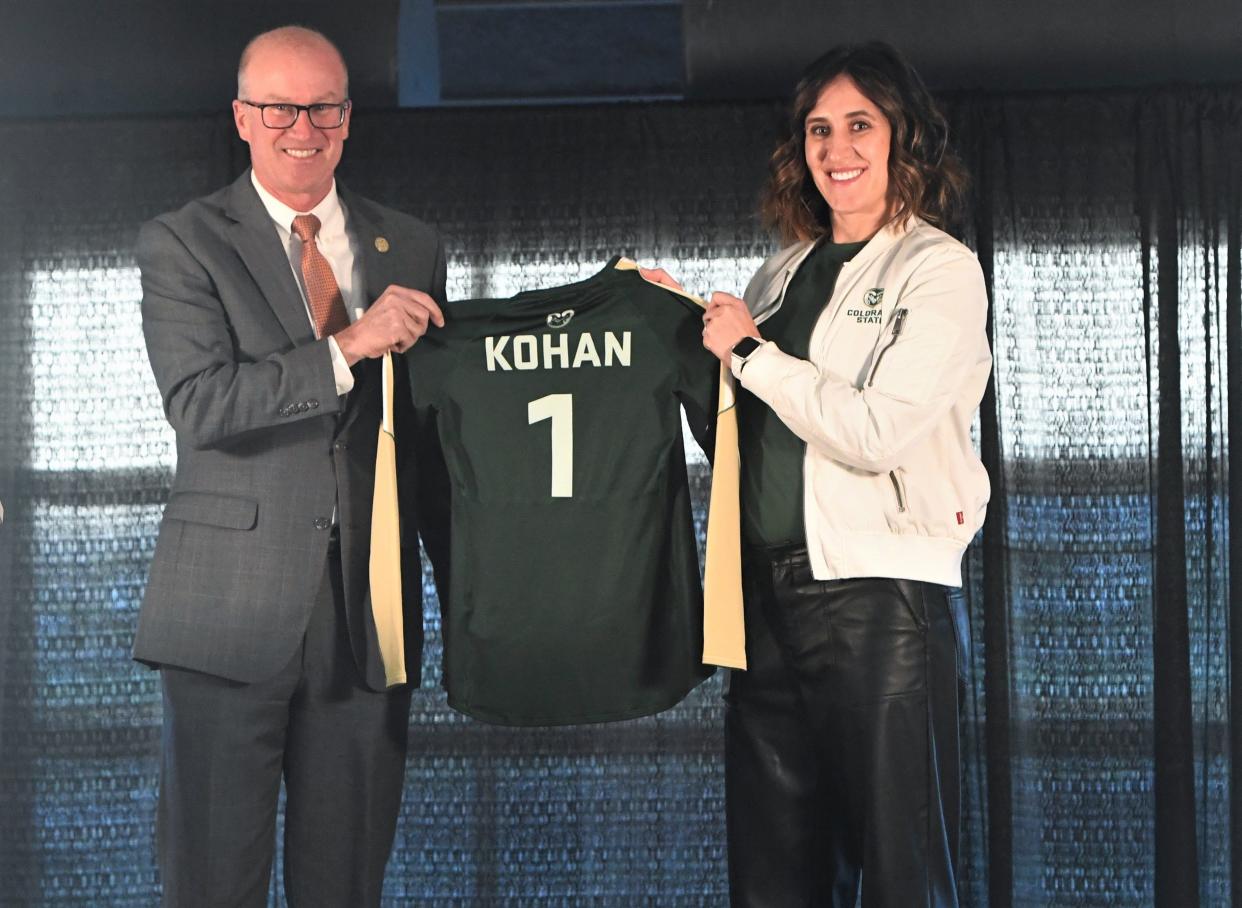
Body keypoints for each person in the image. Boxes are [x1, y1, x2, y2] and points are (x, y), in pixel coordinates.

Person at [649, 41, 990, 906]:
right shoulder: (783, 271)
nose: (836, 149)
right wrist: (680, 335)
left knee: (900, 874)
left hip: (878, 601)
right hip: (764, 598)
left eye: (859, 126)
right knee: (775, 876)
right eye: (818, 130)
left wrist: (753, 353)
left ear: (902, 136)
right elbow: (749, 433)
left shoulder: (938, 269)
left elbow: (877, 432)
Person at [133, 26, 447, 907]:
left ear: (348, 119)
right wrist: (351, 344)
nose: (300, 127)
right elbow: (203, 406)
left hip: (364, 617)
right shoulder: (183, 242)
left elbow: (433, 434)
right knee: (211, 884)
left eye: (322, 107)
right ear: (242, 117)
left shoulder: (411, 246)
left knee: (345, 883)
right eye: (278, 107)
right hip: (224, 613)